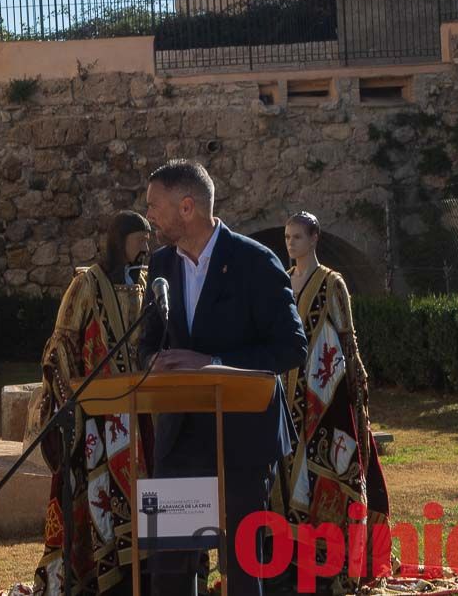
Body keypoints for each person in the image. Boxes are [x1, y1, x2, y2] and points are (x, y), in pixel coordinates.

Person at [139, 160, 308, 596]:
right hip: (179, 438)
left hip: (244, 438)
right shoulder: (160, 264)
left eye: (155, 206)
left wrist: (211, 360)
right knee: (170, 568)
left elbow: (291, 347)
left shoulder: (255, 262)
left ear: (188, 207)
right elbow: (148, 342)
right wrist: (151, 362)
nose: (149, 216)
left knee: (241, 567)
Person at [30, 212, 153, 595]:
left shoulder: (149, 284)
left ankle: (141, 576)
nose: (145, 247)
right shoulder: (86, 284)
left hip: (141, 413)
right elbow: (60, 344)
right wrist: (71, 402)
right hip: (97, 419)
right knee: (99, 499)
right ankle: (101, 579)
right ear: (120, 241)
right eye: (139, 239)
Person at [271, 211, 391, 593]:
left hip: (325, 397)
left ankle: (332, 562)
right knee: (290, 477)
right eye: (288, 237)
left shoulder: (332, 283)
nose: (291, 244)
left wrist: (355, 391)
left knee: (328, 471)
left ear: (314, 238)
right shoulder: (285, 281)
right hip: (287, 394)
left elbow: (346, 337)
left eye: (298, 237)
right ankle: (292, 561)